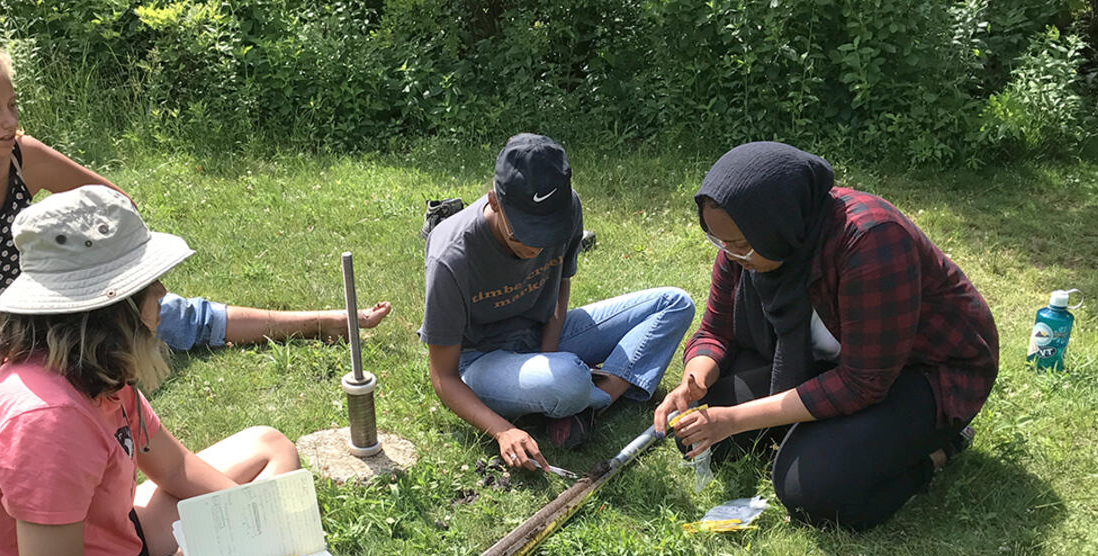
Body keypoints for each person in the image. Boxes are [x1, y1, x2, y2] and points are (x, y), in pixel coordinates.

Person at [0, 38, 390, 536]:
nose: (9, 121)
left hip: (54, 309)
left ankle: (326, 320)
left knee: (175, 312)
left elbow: (113, 200)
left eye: (12, 104)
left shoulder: (23, 156)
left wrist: (103, 274)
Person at [0, 184, 380, 556]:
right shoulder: (45, 422)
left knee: (268, 447)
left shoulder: (90, 369)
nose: (163, 296)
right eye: (150, 284)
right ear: (112, 306)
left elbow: (173, 469)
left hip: (107, 550)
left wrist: (258, 534)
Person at [653, 141, 999, 531]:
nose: (729, 254)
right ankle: (818, 433)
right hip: (824, 361)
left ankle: (936, 452)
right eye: (718, 241)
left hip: (922, 373)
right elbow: (716, 330)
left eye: (739, 245)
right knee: (697, 433)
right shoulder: (752, 235)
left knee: (811, 492)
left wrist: (733, 419)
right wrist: (693, 381)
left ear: (778, 223)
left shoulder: (871, 240)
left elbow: (863, 383)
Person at [420, 133, 695, 471]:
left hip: (542, 337)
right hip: (480, 363)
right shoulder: (451, 256)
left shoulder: (569, 208)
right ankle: (578, 391)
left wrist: (547, 356)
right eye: (522, 234)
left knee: (674, 304)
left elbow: (559, 288)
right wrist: (503, 431)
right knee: (565, 379)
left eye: (546, 233)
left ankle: (599, 396)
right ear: (494, 201)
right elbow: (443, 377)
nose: (535, 248)